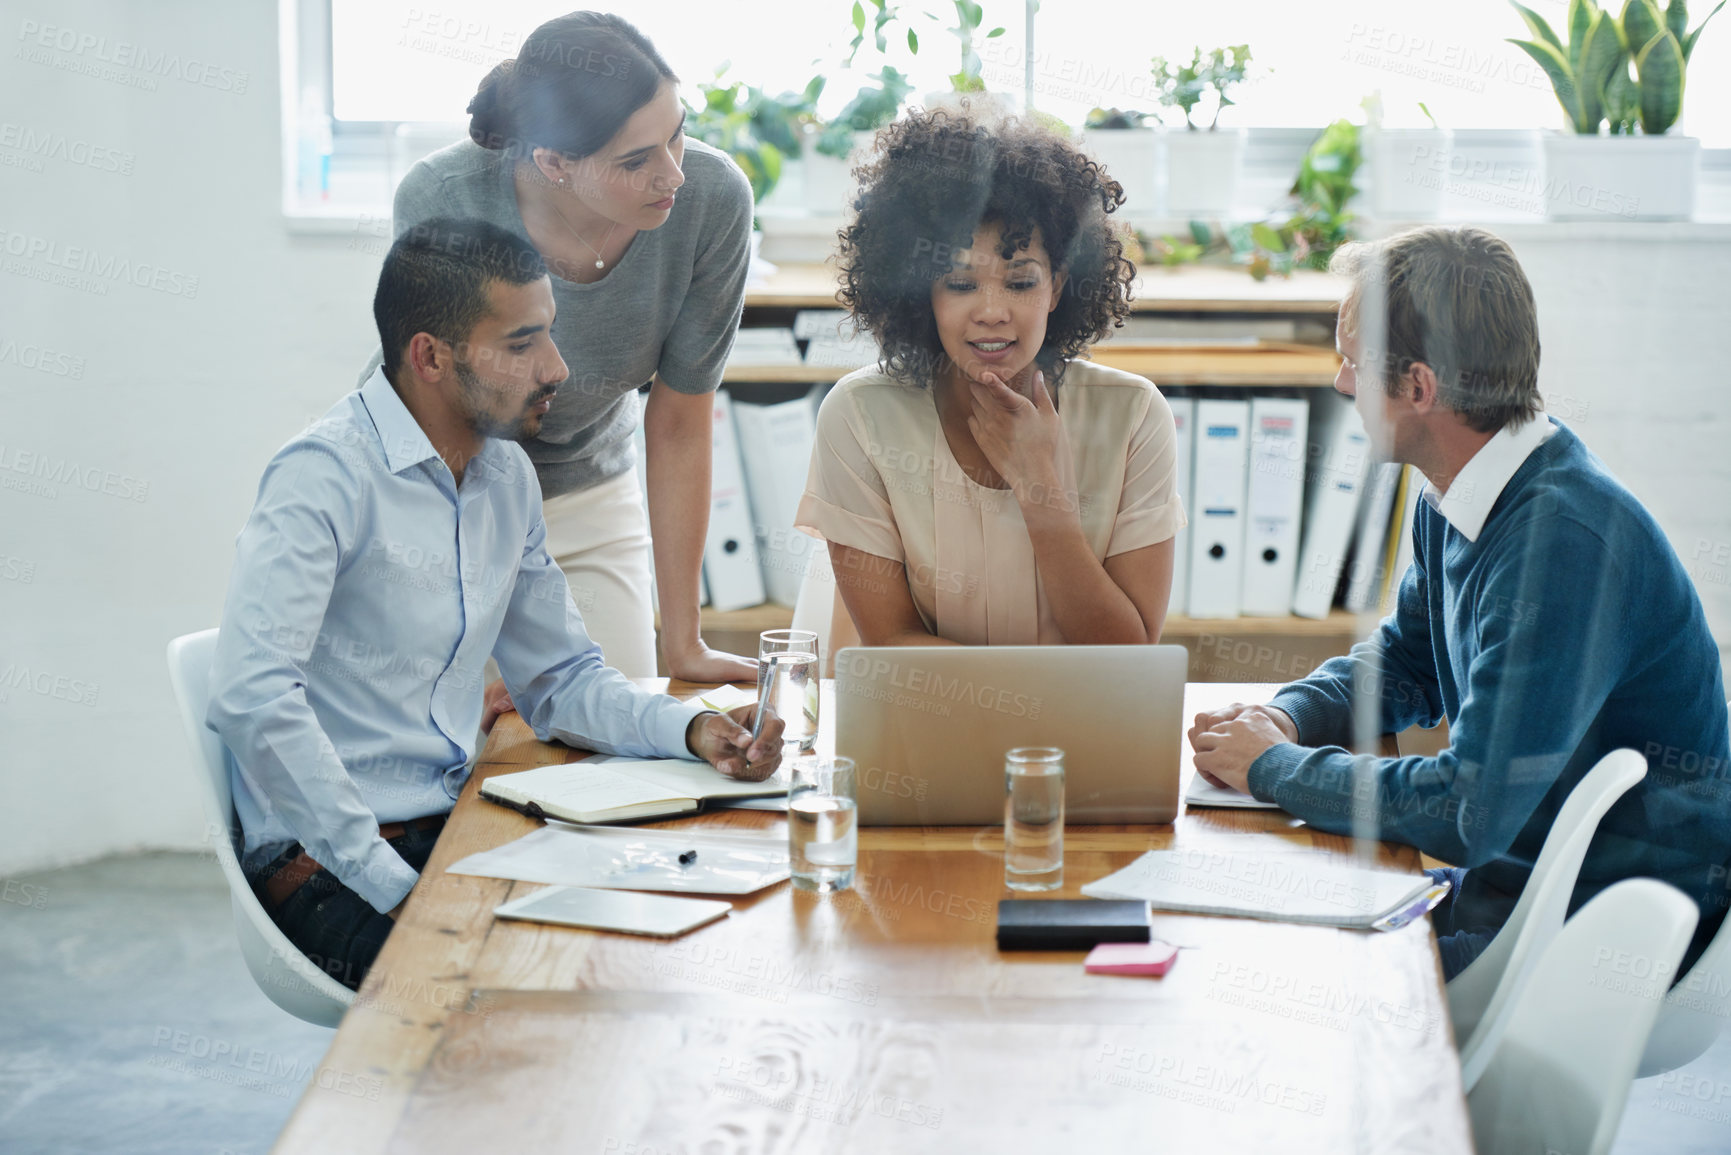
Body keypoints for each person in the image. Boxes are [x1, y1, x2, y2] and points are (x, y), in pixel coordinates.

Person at [209, 218, 783, 990]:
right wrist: (396, 887)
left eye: (548, 334)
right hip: (329, 862)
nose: (556, 367)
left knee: (660, 947)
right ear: (430, 357)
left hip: (451, 827)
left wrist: (693, 726)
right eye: (521, 344)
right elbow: (251, 695)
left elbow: (564, 679)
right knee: (526, 996)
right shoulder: (321, 478)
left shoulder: (504, 476)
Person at [1189, 225, 1731, 980]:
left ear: (1417, 387)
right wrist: (1285, 716)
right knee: (1246, 924)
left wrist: (1274, 768)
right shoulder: (1461, 489)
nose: (1340, 383)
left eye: (1351, 362)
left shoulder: (1562, 543)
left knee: (1280, 979)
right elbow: (1405, 659)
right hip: (1513, 887)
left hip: (1596, 926)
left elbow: (1463, 811)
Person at [379, 11, 757, 686]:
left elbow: (678, 424)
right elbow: (439, 416)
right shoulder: (444, 197)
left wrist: (685, 640)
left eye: (676, 136)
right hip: (447, 487)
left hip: (589, 488)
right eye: (636, 160)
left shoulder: (713, 200)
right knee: (474, 744)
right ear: (552, 161)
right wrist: (471, 619)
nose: (672, 175)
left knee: (613, 736)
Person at [795, 109, 1184, 649]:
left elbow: (1127, 654)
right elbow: (893, 643)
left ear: (1057, 287)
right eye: (959, 284)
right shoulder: (860, 414)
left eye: (1021, 282)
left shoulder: (1135, 416)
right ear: (920, 291)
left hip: (1079, 726)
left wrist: (1038, 487)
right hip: (923, 721)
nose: (992, 313)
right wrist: (1012, 706)